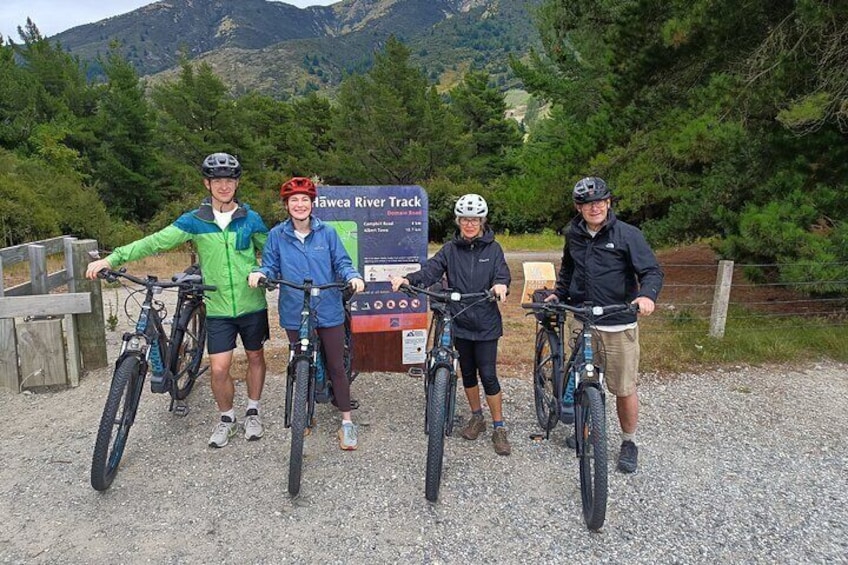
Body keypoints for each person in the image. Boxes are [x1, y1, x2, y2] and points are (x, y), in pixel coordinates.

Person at [86, 152, 270, 449]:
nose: (224, 186)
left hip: (252, 305)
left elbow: (274, 249)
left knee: (255, 357)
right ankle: (227, 419)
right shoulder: (195, 221)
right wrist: (112, 258)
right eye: (217, 181)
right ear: (207, 184)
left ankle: (253, 410)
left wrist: (268, 270)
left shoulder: (250, 219)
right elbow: (155, 241)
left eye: (230, 180)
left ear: (237, 183)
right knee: (220, 368)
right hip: (219, 306)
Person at [547, 176, 663, 473]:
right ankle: (586, 428)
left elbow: (651, 271)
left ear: (608, 202)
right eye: (587, 203)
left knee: (623, 388)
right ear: (578, 207)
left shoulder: (628, 234)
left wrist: (647, 296)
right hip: (582, 318)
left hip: (617, 323)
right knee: (585, 379)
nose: (594, 207)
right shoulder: (573, 234)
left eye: (599, 201)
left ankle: (629, 441)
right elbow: (569, 270)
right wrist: (558, 294)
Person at [248, 177, 365, 450]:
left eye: (305, 200)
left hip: (328, 306)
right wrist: (260, 273)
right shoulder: (277, 234)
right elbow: (271, 265)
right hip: (294, 309)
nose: (299, 205)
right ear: (286, 205)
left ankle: (347, 422)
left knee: (336, 364)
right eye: (294, 200)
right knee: (301, 363)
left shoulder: (328, 233)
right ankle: (304, 413)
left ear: (313, 204)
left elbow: (343, 263)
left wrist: (353, 277)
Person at [391, 194, 512, 456]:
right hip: (460, 320)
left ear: (482, 221)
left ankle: (499, 427)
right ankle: (477, 417)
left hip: (486, 322)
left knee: (488, 375)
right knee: (467, 373)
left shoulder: (494, 249)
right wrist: (408, 279)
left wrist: (501, 285)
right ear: (458, 222)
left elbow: (502, 274)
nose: (470, 224)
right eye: (465, 220)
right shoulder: (449, 249)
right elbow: (430, 271)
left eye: (475, 220)